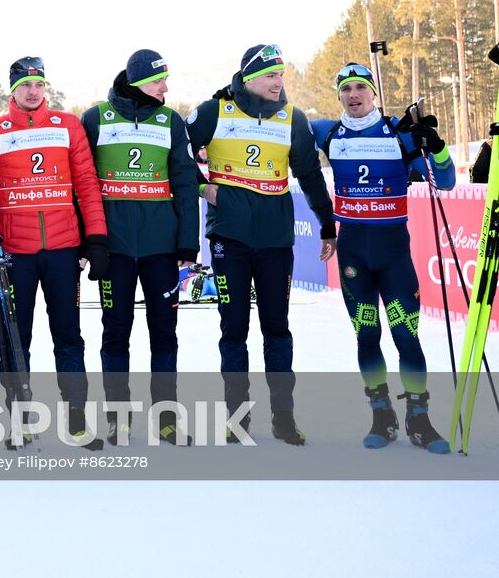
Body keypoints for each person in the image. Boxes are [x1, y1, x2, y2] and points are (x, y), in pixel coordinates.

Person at [187, 44, 336, 445]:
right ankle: (237, 419)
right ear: (249, 77)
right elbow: (177, 156)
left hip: (274, 242)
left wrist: (327, 224)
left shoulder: (292, 118)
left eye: (282, 75)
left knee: (277, 329)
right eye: (271, 75)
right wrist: (203, 187)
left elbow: (310, 175)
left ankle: (283, 418)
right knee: (233, 330)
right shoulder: (213, 111)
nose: (278, 82)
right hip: (229, 240)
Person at [0, 56, 108, 450]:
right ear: (12, 89)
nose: (33, 91)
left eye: (39, 84)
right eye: (25, 85)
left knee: (69, 337)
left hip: (63, 249)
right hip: (15, 254)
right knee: (15, 339)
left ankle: (76, 419)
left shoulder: (67, 125)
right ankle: (18, 419)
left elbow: (87, 185)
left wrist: (95, 238)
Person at [311, 62, 452, 452]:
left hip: (393, 256)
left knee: (406, 334)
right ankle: (381, 415)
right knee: (367, 334)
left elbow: (448, 180)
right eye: (345, 89)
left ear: (373, 92)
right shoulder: (327, 132)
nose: (353, 95)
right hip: (354, 254)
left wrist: (435, 147)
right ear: (338, 95)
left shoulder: (397, 132)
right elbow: (281, 127)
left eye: (360, 87)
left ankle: (420, 420)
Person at [80, 50, 200, 445]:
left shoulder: (171, 120)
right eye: (158, 80)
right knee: (116, 331)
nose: (166, 87)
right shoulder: (96, 118)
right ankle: (117, 417)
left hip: (160, 249)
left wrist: (188, 243)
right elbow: (80, 182)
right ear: (136, 81)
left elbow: (185, 183)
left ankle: (166, 417)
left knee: (164, 330)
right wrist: (87, 240)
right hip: (112, 250)